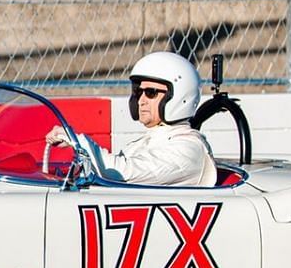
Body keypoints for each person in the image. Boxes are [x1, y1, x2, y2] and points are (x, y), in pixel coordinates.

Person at [48, 51, 218, 187]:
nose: (141, 100)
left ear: (179, 96)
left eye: (151, 92)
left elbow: (119, 172)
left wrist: (77, 140)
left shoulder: (188, 150)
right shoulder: (149, 141)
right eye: (138, 92)